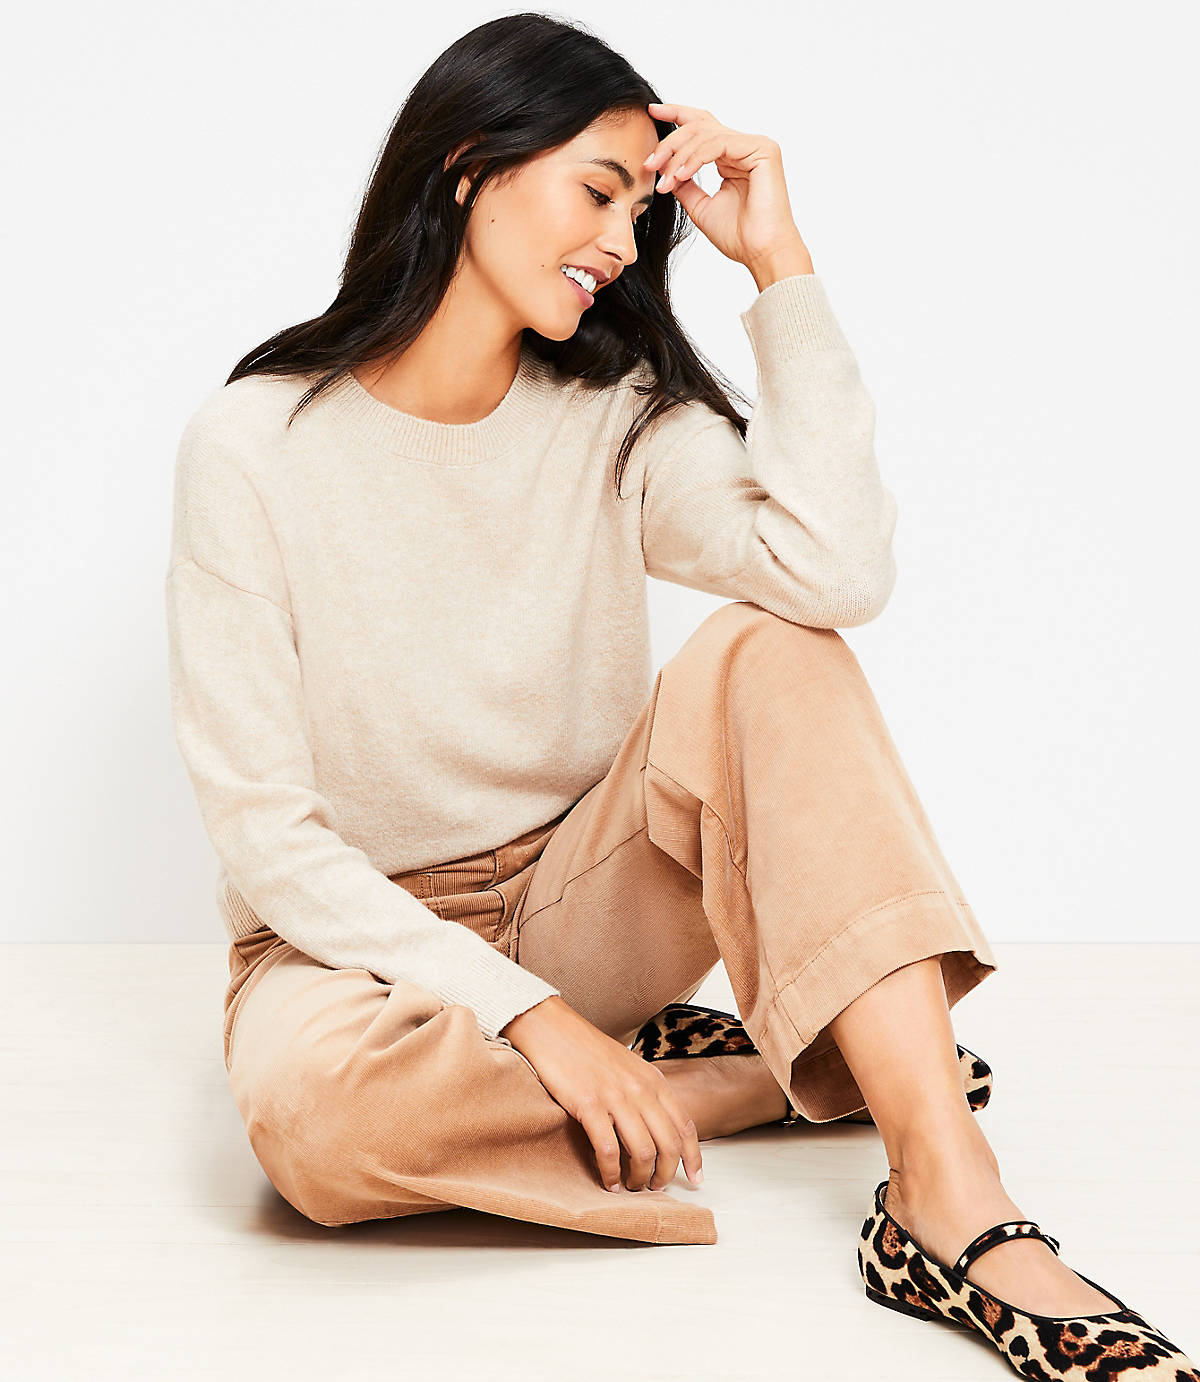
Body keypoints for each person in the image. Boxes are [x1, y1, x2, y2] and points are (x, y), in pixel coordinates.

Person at [164, 13, 1196, 1377]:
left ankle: (948, 1191)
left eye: (639, 217)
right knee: (318, 1127)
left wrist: (778, 262)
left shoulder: (616, 416)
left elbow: (834, 571)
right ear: (468, 168)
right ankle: (756, 1079)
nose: (620, 242)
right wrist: (536, 1023)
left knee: (776, 647)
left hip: (580, 903)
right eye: (597, 193)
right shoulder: (255, 443)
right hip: (348, 955)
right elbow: (265, 834)